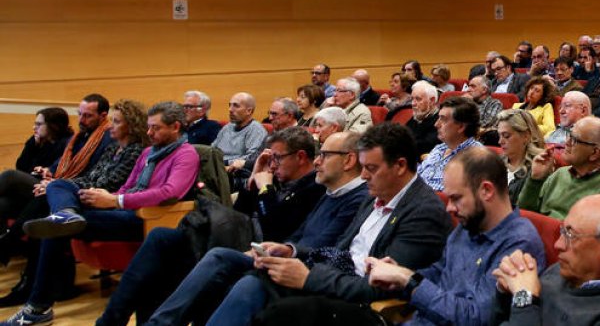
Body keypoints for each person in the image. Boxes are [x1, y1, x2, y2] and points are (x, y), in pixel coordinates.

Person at [170, 123, 452, 326]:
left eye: (371, 169)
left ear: (400, 166)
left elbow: (380, 287)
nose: (363, 177)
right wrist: (294, 253)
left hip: (358, 302)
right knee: (241, 275)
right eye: (363, 167)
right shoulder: (375, 196)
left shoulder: (422, 212)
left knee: (253, 286)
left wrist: (307, 276)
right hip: (332, 278)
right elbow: (340, 252)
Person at [129, 131, 368, 326]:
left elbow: (313, 243)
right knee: (210, 255)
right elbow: (245, 214)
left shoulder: (336, 193)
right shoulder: (331, 191)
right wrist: (256, 182)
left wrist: (266, 192)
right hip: (272, 248)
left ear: (348, 160)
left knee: (235, 272)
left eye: (325, 155)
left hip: (303, 267)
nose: (318, 160)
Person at [6, 103, 200, 326]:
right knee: (58, 187)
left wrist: (115, 200)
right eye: (148, 127)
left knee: (56, 226)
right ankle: (66, 213)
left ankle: (38, 307)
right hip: (122, 209)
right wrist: (105, 196)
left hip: (146, 217)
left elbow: (170, 192)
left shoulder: (186, 154)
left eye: (155, 128)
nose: (149, 133)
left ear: (175, 127)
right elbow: (128, 186)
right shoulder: (149, 152)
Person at [360, 148, 545, 326]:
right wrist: (398, 279)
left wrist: (409, 279)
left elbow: (475, 318)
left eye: (456, 198)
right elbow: (440, 272)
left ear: (487, 191)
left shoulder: (519, 243)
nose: (449, 208)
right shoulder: (468, 225)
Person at [0, 101, 143, 303]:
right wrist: (55, 181)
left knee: (32, 197)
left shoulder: (135, 151)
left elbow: (110, 183)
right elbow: (90, 176)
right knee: (32, 205)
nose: (111, 125)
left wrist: (60, 184)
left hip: (103, 201)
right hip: (82, 193)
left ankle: (30, 286)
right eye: (79, 114)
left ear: (131, 125)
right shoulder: (110, 148)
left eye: (116, 121)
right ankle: (36, 288)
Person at [491, 194, 600, 325]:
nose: (558, 244)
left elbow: (525, 307)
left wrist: (523, 297)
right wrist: (505, 289)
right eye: (562, 231)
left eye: (571, 235)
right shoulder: (565, 269)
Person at [517, 117, 600, 219]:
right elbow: (524, 212)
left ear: (595, 153)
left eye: (575, 140)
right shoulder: (559, 173)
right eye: (569, 136)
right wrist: (535, 179)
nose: (566, 142)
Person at [0, 109, 71, 223]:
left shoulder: (68, 143)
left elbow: (58, 170)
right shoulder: (37, 141)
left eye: (39, 124)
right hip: (31, 188)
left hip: (50, 187)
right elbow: (21, 167)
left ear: (53, 126)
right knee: (2, 203)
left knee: (9, 175)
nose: (34, 127)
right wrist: (32, 146)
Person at [416, 95, 482, 192]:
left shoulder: (476, 156)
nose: (436, 124)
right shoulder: (439, 149)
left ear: (461, 127)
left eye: (443, 119)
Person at [496, 108, 545, 206]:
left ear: (526, 136)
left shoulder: (537, 170)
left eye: (506, 136)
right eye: (499, 136)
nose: (500, 142)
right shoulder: (495, 162)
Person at [212, 92, 269, 172]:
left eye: (236, 106)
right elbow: (213, 149)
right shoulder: (228, 127)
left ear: (249, 111)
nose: (230, 110)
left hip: (236, 172)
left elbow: (251, 158)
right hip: (218, 167)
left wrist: (223, 162)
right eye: (230, 105)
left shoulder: (256, 130)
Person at [406, 81, 441, 155]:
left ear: (432, 100)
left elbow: (425, 146)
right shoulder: (416, 118)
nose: (413, 103)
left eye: (418, 99)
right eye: (412, 99)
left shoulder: (439, 121)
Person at [466, 75, 503, 143]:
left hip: (482, 140)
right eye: (469, 86)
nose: (468, 89)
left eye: (473, 86)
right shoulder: (466, 103)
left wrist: (469, 106)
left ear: (484, 90)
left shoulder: (495, 104)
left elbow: (486, 124)